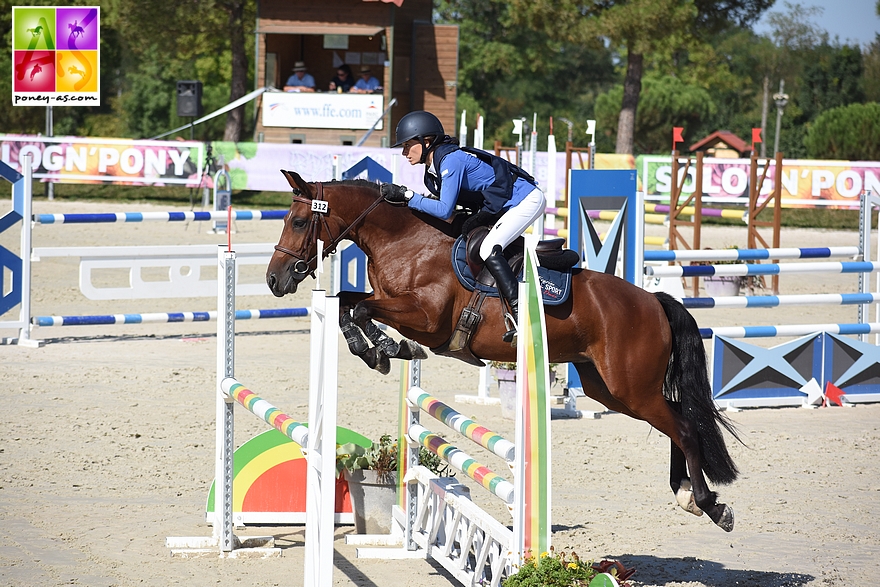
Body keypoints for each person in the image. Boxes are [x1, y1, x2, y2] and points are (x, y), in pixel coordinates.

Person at [382, 111, 546, 342]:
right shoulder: (433, 168)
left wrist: (407, 195)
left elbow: (443, 210)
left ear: (426, 142)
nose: (404, 152)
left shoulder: (451, 160)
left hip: (525, 199)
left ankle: (521, 314)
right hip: (503, 204)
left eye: (408, 145)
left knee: (489, 247)